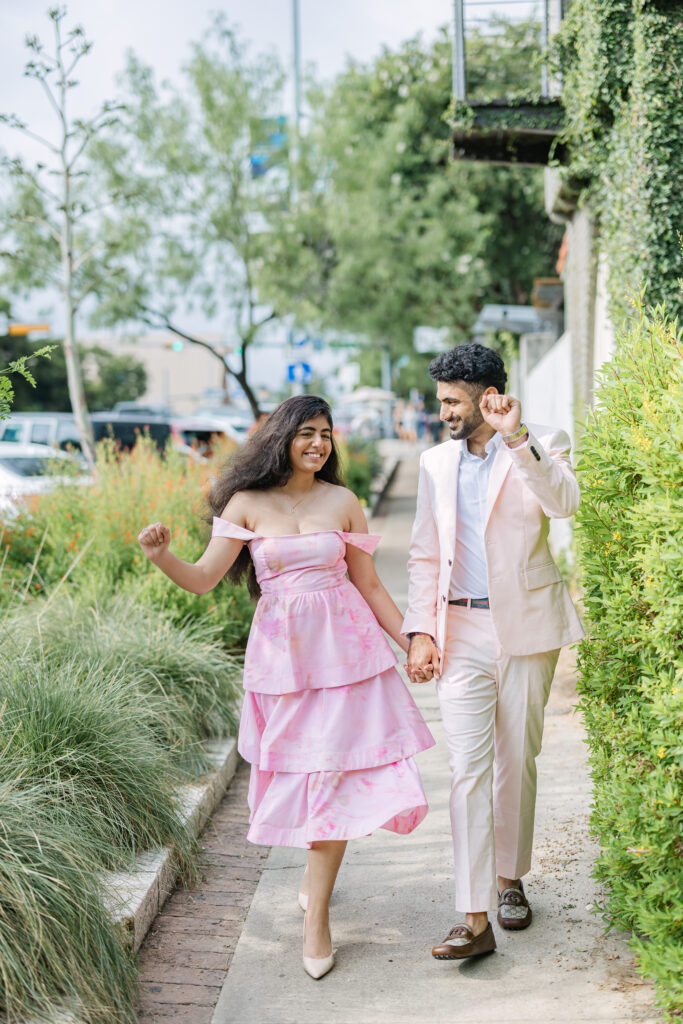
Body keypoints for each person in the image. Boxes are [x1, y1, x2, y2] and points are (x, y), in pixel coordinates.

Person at [138, 395, 434, 980]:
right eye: (306, 433)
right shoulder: (246, 503)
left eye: (326, 433)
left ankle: (316, 915)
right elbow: (201, 580)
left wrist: (414, 642)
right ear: (281, 438)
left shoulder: (344, 501)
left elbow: (369, 586)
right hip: (284, 662)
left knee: (334, 777)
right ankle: (313, 884)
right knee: (306, 779)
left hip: (348, 658)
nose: (319, 443)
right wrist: (161, 554)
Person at [402, 343, 584, 961]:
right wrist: (420, 631)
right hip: (459, 631)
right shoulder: (433, 463)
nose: (444, 412)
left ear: (487, 396)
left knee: (517, 759)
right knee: (467, 770)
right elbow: (426, 553)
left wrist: (517, 439)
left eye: (452, 401)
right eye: (441, 401)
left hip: (526, 626)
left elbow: (564, 503)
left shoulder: (540, 438)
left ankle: (511, 882)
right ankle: (472, 916)